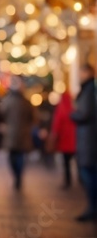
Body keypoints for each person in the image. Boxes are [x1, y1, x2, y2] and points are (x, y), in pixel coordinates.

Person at [70, 64, 97, 222]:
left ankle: (93, 208)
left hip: (89, 140)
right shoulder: (90, 90)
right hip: (89, 139)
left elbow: (85, 114)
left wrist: (73, 114)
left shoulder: (88, 91)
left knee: (89, 175)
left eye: (80, 72)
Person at [0, 75, 35, 190]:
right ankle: (18, 177)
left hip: (11, 133)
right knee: (20, 156)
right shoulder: (26, 102)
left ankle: (17, 177)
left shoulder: (7, 101)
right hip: (23, 133)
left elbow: (0, 115)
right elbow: (33, 117)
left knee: (12, 156)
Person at [50, 91, 76, 189]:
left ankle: (68, 181)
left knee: (66, 163)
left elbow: (57, 124)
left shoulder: (61, 109)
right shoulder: (74, 109)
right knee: (77, 162)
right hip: (75, 141)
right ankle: (80, 180)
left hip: (65, 141)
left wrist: (54, 135)